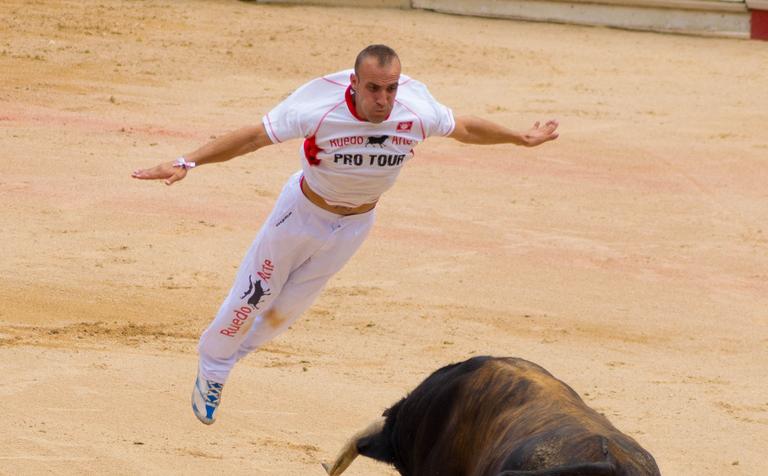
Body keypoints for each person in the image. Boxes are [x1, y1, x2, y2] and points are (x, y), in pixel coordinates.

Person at [132, 44, 559, 425]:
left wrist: (519, 138)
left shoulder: (416, 110)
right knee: (254, 294)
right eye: (374, 88)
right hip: (300, 214)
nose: (384, 100)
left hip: (355, 224)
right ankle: (214, 367)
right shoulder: (317, 106)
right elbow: (252, 138)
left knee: (287, 311)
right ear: (354, 83)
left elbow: (464, 128)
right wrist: (186, 163)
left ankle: (228, 359)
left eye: (391, 89)